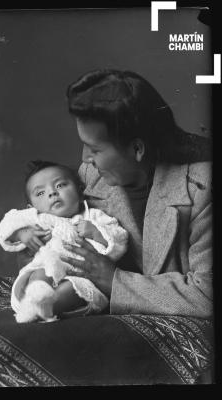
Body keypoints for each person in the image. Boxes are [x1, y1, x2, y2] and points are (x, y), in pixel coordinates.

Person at [53, 68, 212, 318]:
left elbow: (208, 295)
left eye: (95, 149)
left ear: (137, 148)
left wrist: (115, 281)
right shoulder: (89, 175)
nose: (85, 159)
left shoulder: (203, 189)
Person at [0, 160, 128, 322]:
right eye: (40, 193)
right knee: (41, 272)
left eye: (60, 185)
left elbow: (119, 239)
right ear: (31, 207)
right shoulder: (36, 219)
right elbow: (7, 225)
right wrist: (23, 233)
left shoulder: (93, 216)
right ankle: (36, 298)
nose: (52, 193)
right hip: (43, 270)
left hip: (81, 276)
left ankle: (47, 307)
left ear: (80, 192)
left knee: (74, 290)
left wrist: (96, 232)